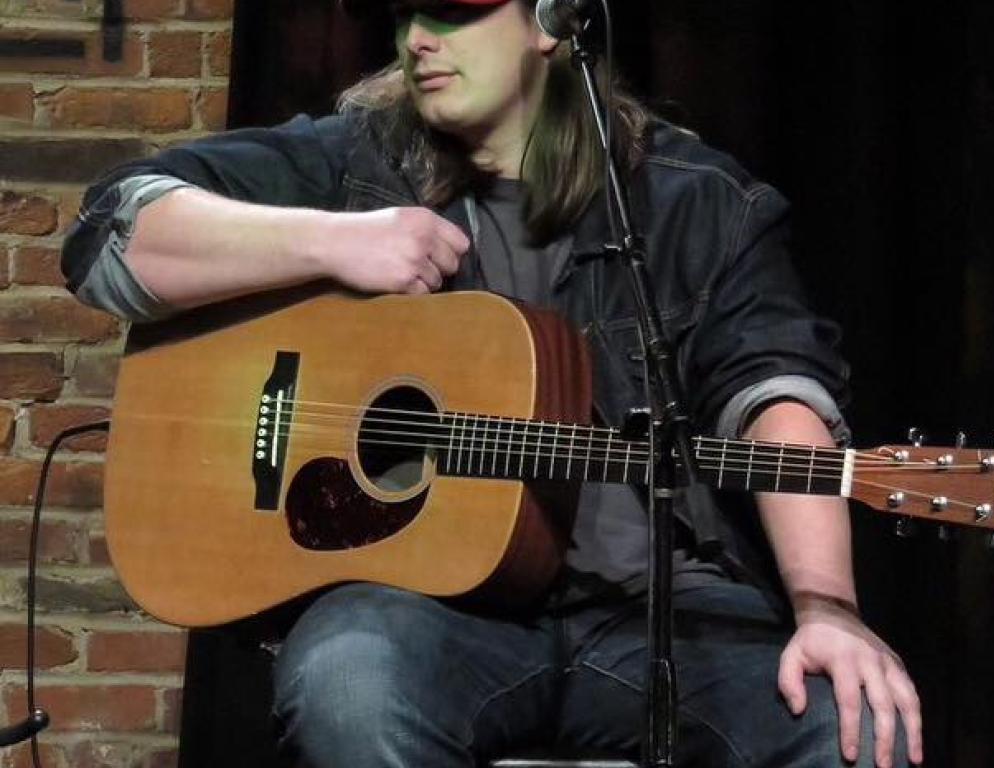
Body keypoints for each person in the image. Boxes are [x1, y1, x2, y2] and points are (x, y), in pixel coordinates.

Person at [61, 1, 922, 765]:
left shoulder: (695, 201)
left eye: (452, 12)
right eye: (406, 15)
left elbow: (777, 392)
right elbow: (107, 235)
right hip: (423, 611)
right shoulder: (352, 161)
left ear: (549, 21)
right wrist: (332, 241)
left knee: (847, 728)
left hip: (654, 609)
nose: (418, 39)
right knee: (350, 688)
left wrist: (829, 610)